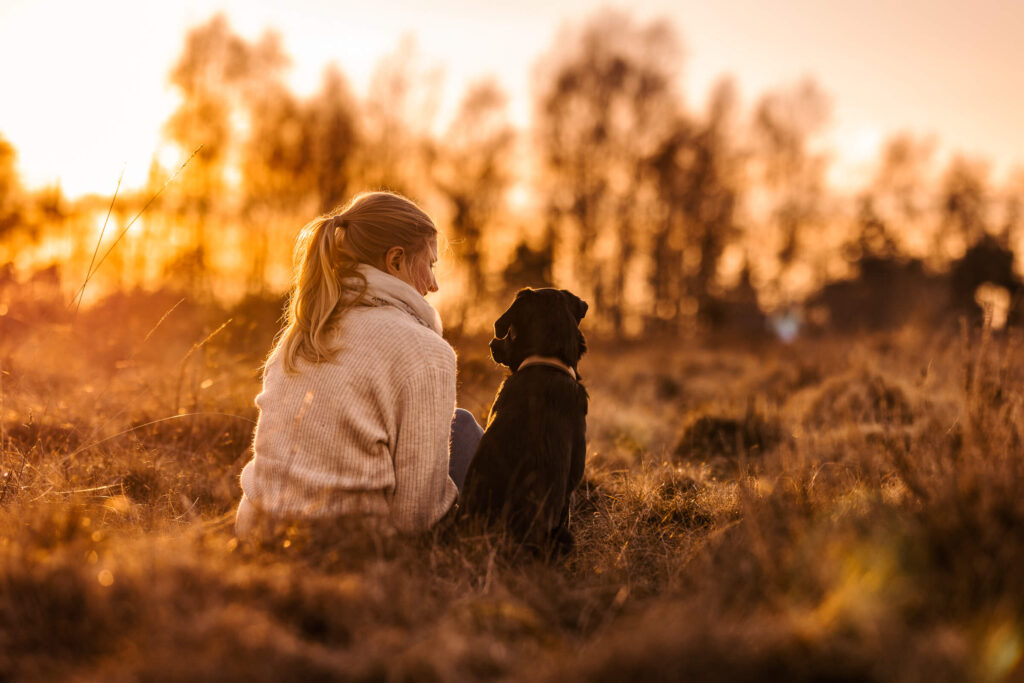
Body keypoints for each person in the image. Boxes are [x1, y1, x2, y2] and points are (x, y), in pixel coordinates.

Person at [235, 191, 483, 537]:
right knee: (466, 431)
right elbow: (416, 517)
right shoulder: (426, 350)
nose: (434, 284)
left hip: (257, 533)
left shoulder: (302, 333)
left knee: (457, 423)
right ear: (395, 260)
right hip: (351, 548)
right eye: (429, 265)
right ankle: (523, 545)